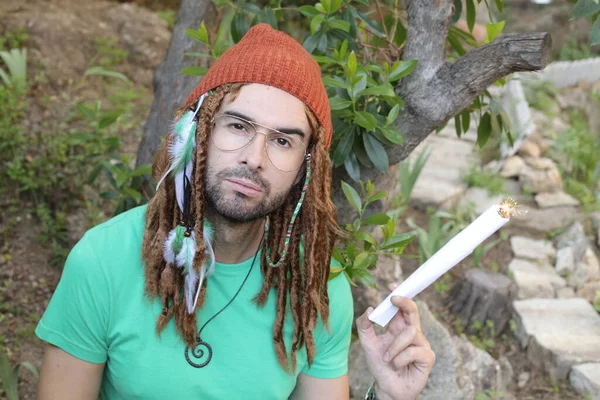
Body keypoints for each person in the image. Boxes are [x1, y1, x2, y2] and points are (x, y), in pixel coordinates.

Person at [35, 24, 435, 400]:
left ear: (306, 169)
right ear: (198, 131)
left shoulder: (316, 287)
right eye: (239, 126)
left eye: (282, 140)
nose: (254, 158)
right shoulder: (103, 260)